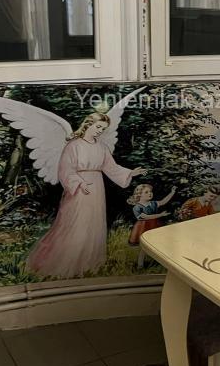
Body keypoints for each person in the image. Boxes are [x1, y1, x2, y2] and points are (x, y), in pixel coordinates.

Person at [25, 112, 146, 279]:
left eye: (103, 129)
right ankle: (65, 264)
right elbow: (65, 169)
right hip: (79, 188)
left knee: (93, 222)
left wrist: (130, 172)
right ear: (88, 124)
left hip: (97, 187)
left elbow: (111, 168)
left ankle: (88, 264)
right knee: (75, 222)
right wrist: (79, 182)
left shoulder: (101, 147)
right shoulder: (74, 145)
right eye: (98, 127)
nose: (100, 131)